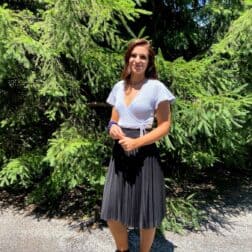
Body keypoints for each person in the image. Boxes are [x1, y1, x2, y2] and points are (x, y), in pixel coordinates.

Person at [101, 38, 175, 252]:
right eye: (134, 55)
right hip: (120, 152)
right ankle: (122, 250)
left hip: (145, 152)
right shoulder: (118, 87)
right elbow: (113, 119)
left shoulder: (156, 88)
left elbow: (165, 125)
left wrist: (137, 142)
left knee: (146, 210)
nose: (137, 60)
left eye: (143, 57)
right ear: (128, 59)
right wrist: (112, 127)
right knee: (113, 208)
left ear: (149, 62)